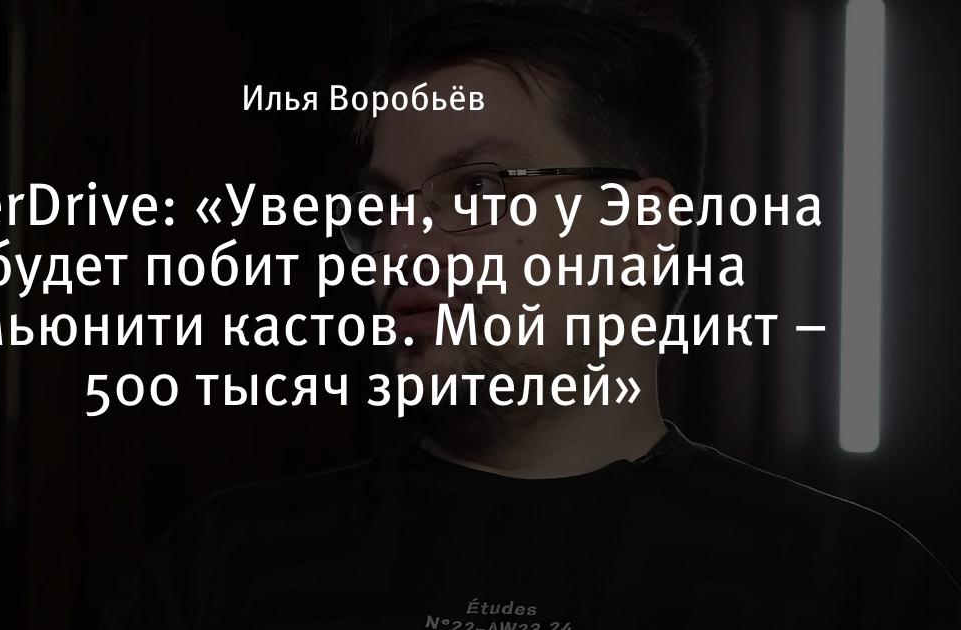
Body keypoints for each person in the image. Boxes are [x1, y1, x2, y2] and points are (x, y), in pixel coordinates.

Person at [105, 3, 961, 628]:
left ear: (639, 227)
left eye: (477, 187)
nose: (399, 247)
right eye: (383, 206)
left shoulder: (850, 586)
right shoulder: (230, 566)